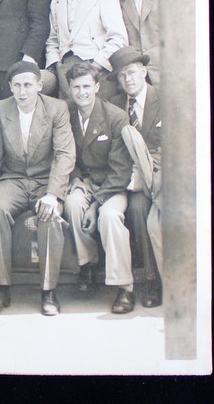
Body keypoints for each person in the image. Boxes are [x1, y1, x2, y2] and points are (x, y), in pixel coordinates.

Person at [0, 61, 76, 316]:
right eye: (17, 86)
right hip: (13, 178)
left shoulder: (57, 108)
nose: (22, 92)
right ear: (10, 87)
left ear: (39, 85)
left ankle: (49, 291)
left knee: (49, 214)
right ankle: (1, 287)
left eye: (28, 85)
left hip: (45, 179)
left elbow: (65, 153)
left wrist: (53, 194)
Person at [61, 63, 135, 313]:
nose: (81, 92)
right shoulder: (66, 113)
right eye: (76, 87)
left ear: (96, 87)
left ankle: (124, 286)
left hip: (112, 184)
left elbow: (121, 170)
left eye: (86, 86)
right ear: (69, 89)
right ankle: (87, 264)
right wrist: (76, 180)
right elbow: (65, 154)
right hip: (84, 180)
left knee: (110, 216)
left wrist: (95, 203)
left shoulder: (115, 116)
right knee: (71, 204)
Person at [108, 47, 163, 308]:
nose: (127, 79)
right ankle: (147, 280)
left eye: (131, 72)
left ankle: (154, 281)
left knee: (145, 210)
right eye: (121, 76)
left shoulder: (162, 99)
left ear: (143, 71)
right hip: (127, 178)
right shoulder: (117, 106)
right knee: (137, 208)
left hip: (161, 175)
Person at [46, 0, 128, 101]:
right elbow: (53, 39)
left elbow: (119, 38)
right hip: (66, 73)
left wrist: (95, 66)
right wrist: (58, 65)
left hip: (97, 70)